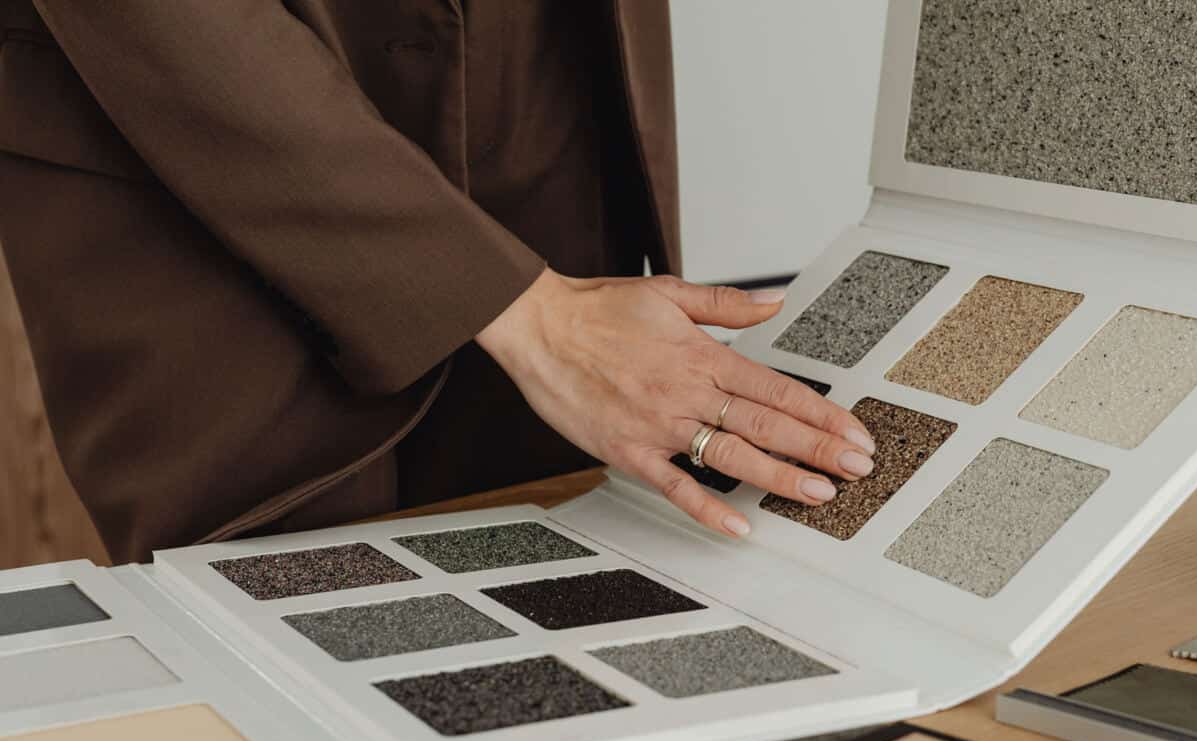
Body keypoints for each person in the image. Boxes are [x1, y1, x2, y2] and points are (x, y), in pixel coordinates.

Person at [0, 0, 875, 564]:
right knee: (292, 649)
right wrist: (537, 321)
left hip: (545, 77)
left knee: (566, 603)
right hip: (204, 130)